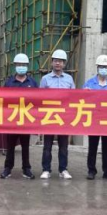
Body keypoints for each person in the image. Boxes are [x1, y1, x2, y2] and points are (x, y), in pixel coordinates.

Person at [0, 53, 37, 179]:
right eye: (19, 64)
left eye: (24, 65)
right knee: (10, 145)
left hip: (26, 119)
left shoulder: (32, 82)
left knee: (25, 146)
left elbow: (38, 100)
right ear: (15, 66)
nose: (21, 66)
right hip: (12, 119)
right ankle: (7, 168)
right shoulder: (9, 82)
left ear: (27, 66)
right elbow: (3, 100)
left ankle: (26, 168)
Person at [39, 49, 75, 179]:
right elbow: (39, 98)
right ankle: (46, 169)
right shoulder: (45, 79)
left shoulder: (69, 79)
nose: (58, 63)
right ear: (52, 63)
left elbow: (74, 97)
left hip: (64, 117)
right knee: (47, 146)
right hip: (49, 116)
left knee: (63, 145)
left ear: (64, 64)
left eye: (60, 61)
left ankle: (63, 169)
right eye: (55, 61)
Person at [83, 54, 107, 180]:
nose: (104, 69)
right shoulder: (89, 83)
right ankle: (91, 170)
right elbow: (82, 100)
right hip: (93, 119)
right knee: (92, 146)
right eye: (101, 66)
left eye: (106, 67)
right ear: (97, 67)